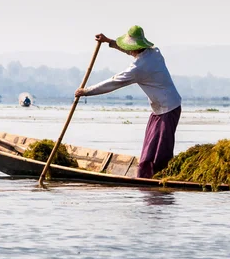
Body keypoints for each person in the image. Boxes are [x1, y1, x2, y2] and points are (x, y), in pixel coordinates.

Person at [75, 26, 182, 178]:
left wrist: (87, 91)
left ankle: (158, 180)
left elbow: (113, 82)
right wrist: (109, 42)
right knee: (149, 148)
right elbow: (129, 51)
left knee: (161, 152)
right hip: (159, 110)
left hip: (168, 108)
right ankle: (146, 179)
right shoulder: (154, 52)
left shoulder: (138, 68)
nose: (129, 51)